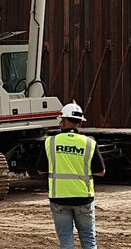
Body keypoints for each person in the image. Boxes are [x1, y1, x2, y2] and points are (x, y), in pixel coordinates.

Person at [38, 101, 106, 249]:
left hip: (59, 198)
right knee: (89, 240)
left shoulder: (50, 142)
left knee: (66, 241)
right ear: (80, 123)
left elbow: (40, 170)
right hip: (83, 198)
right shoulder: (89, 143)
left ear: (62, 121)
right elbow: (100, 171)